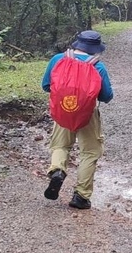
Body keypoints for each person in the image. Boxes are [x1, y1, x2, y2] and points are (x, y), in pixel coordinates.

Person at [41, 30, 114, 210]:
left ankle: (57, 170)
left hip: (63, 111)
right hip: (87, 114)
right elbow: (107, 96)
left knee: (60, 145)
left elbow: (46, 85)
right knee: (90, 152)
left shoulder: (58, 59)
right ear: (96, 48)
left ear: (77, 44)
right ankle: (81, 196)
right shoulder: (98, 66)